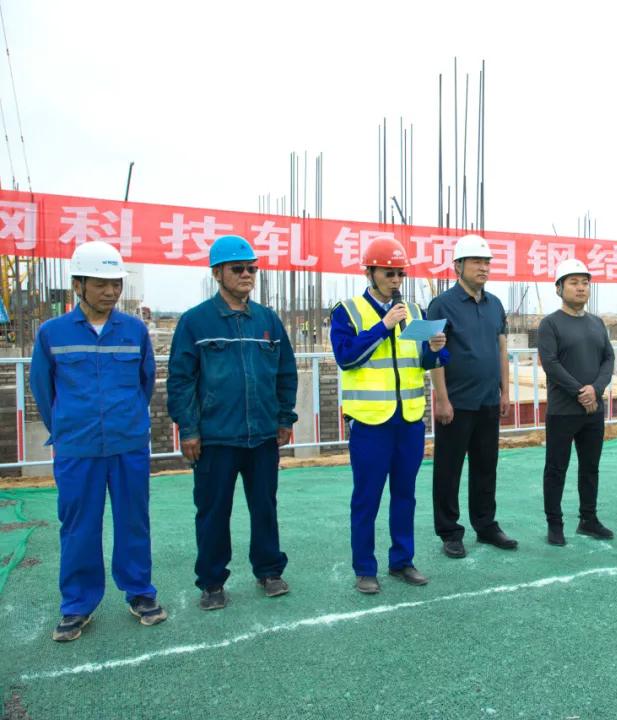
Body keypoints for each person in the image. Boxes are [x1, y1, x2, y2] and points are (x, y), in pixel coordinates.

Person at [30, 241, 166, 642]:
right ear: (78, 285)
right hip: (77, 448)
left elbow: (145, 382)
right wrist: (68, 426)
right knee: (78, 527)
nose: (110, 292)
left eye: (115, 284)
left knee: (134, 521)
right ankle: (77, 604)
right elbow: (42, 389)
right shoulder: (51, 333)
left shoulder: (134, 331)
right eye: (101, 283)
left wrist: (127, 419)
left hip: (128, 444)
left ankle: (140, 592)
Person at [167, 234, 298, 610]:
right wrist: (189, 428)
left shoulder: (267, 321)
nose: (246, 275)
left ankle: (269, 571)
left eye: (252, 269)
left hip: (262, 436)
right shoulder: (196, 322)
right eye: (237, 268)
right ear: (217, 273)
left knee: (265, 507)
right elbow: (180, 380)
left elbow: (285, 372)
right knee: (213, 512)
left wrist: (284, 417)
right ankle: (212, 582)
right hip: (215, 438)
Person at [330, 237, 448, 594]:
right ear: (370, 273)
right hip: (370, 423)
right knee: (367, 498)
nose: (396, 280)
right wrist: (383, 326)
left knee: (405, 495)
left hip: (409, 420)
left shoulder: (414, 311)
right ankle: (365, 568)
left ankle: (402, 561)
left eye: (400, 274)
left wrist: (436, 349)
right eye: (388, 273)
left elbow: (425, 361)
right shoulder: (348, 311)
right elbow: (346, 357)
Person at [427, 234, 517, 557]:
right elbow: (434, 353)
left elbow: (501, 349)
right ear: (458, 266)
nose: (484, 268)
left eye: (487, 262)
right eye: (476, 262)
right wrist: (442, 398)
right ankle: (449, 531)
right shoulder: (441, 305)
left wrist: (505, 390)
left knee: (486, 466)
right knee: (448, 469)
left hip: (488, 401)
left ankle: (486, 524)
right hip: (457, 402)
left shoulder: (495, 305)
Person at [537, 258, 615, 546]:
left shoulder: (597, 323)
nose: (581, 288)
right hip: (563, 410)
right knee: (556, 468)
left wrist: (596, 389)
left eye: (585, 283)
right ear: (559, 288)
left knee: (590, 467)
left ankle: (588, 519)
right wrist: (581, 391)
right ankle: (555, 524)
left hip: (593, 410)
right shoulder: (550, 324)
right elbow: (551, 363)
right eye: (573, 282)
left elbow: (608, 358)